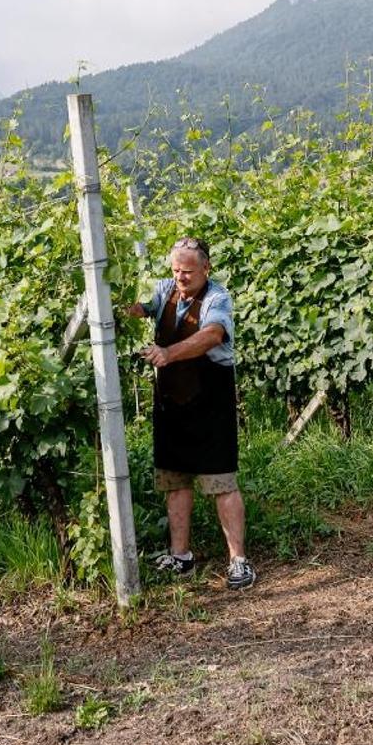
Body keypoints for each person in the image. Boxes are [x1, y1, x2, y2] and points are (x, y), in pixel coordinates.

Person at [118, 236, 254, 590]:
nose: (181, 277)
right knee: (175, 481)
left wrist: (169, 353)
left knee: (221, 482)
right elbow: (142, 308)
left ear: (206, 269)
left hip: (210, 406)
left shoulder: (217, 298)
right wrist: (119, 306)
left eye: (188, 271)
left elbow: (212, 334)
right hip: (172, 405)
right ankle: (181, 556)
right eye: (176, 270)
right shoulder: (165, 289)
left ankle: (238, 561)